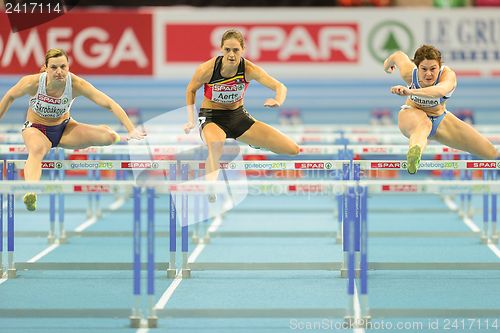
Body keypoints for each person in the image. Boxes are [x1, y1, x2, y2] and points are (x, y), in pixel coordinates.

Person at [0, 48, 146, 211]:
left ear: (68, 67)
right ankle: (31, 191)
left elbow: (109, 103)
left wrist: (131, 129)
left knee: (109, 137)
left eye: (63, 66)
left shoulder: (76, 84)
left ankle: (104, 130)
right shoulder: (32, 83)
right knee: (37, 150)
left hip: (64, 129)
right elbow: (9, 97)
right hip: (36, 129)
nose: (59, 72)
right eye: (54, 67)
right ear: (46, 68)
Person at [184, 29, 300, 201]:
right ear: (221, 49)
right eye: (227, 50)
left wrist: (278, 100)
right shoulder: (206, 69)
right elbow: (191, 90)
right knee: (216, 145)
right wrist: (191, 120)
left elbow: (281, 86)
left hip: (238, 117)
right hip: (211, 118)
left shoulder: (249, 69)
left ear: (243, 49)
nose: (231, 54)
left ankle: (255, 142)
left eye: (236, 50)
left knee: (292, 149)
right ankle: (210, 187)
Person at [383, 44, 497, 174]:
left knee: (492, 154)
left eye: (433, 69)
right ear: (417, 67)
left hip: (440, 119)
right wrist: (387, 67)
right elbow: (397, 56)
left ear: (439, 67)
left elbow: (439, 91)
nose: (428, 74)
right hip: (411, 115)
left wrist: (410, 91)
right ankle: (414, 154)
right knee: (424, 124)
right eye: (424, 69)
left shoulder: (448, 76)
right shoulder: (409, 73)